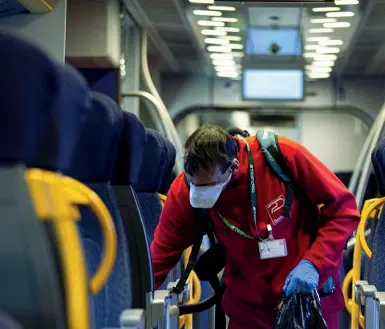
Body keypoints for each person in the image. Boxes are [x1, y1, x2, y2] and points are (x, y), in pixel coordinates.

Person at [151, 124, 360, 329]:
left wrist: (315, 264)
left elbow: (344, 210)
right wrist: (133, 304)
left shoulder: (282, 155)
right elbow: (159, 256)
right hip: (249, 310)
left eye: (209, 187)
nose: (199, 193)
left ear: (233, 167)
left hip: (308, 300)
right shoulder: (186, 189)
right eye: (194, 184)